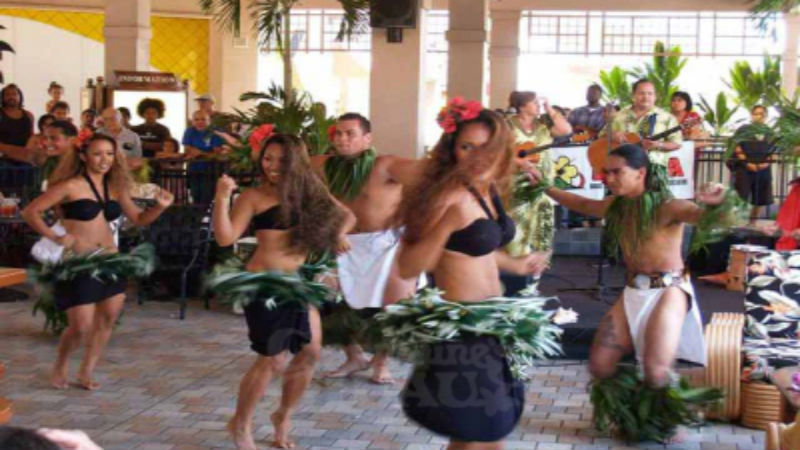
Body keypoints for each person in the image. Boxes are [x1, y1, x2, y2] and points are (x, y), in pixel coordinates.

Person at [529, 144, 733, 440]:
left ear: (641, 173)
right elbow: (582, 204)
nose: (609, 178)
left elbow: (707, 217)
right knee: (601, 363)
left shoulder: (667, 205)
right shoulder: (617, 205)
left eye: (617, 172)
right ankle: (631, 412)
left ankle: (667, 420)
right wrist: (544, 186)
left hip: (668, 290)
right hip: (633, 291)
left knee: (656, 370)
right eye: (606, 172)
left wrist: (720, 201)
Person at [388, 101, 554, 450]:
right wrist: (445, 225)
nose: (476, 156)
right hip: (462, 332)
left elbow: (473, 249)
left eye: (485, 148)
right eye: (466, 147)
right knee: (483, 432)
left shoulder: (485, 188)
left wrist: (516, 264)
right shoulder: (445, 196)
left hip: (490, 325)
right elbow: (408, 266)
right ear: (452, 150)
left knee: (479, 435)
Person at [209, 133, 355, 450]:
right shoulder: (254, 196)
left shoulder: (312, 193)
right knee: (273, 359)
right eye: (268, 158)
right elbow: (225, 238)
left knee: (311, 351)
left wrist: (339, 235)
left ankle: (283, 416)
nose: (272, 165)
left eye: (281, 159)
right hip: (263, 283)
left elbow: (347, 215)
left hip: (296, 284)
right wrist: (222, 197)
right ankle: (240, 424)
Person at [21, 133, 173, 391]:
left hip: (111, 259)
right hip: (80, 261)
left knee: (108, 318)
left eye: (110, 154)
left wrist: (159, 207)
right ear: (83, 156)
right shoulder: (70, 186)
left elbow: (138, 219)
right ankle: (61, 365)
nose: (104, 160)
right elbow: (31, 212)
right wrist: (59, 237)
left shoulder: (116, 187)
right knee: (81, 325)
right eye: (97, 153)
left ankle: (86, 371)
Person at [309, 112, 420, 385]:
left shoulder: (386, 165)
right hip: (344, 243)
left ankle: (381, 363)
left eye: (350, 133)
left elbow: (428, 173)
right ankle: (354, 356)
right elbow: (291, 165)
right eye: (338, 133)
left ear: (367, 139)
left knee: (391, 308)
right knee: (325, 298)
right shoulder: (324, 165)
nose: (342, 138)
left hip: (386, 244)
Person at [504, 91, 571, 294]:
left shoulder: (543, 124)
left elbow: (566, 130)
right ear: (522, 106)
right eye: (534, 102)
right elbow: (498, 152)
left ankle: (534, 281)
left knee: (541, 233)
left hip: (542, 187)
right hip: (517, 188)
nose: (538, 105)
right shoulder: (507, 125)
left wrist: (550, 108)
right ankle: (515, 280)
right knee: (518, 235)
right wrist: (519, 163)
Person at [607, 79, 683, 179]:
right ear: (633, 95)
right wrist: (612, 135)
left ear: (655, 96)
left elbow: (676, 143)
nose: (646, 97)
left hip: (654, 169)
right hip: (621, 169)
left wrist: (658, 144)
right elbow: (603, 135)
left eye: (650, 93)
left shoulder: (667, 118)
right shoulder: (619, 116)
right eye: (641, 93)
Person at [731, 105, 775, 224]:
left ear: (766, 117)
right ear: (751, 115)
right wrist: (747, 163)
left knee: (761, 197)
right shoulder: (744, 130)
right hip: (745, 168)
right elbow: (737, 147)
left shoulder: (770, 132)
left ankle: (753, 222)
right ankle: (736, 222)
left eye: (761, 114)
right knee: (741, 196)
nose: (758, 117)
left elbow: (774, 151)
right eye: (755, 114)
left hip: (763, 169)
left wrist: (765, 164)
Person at [183, 110, 225, 204]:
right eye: (196, 119)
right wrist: (196, 152)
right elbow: (188, 149)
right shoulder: (189, 131)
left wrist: (200, 153)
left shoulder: (215, 131)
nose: (200, 122)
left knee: (207, 198)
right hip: (194, 169)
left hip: (211, 170)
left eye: (203, 119)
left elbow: (217, 153)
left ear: (209, 121)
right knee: (195, 196)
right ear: (192, 121)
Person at [0, 84, 36, 166]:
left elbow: (32, 136)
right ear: (2, 97)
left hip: (25, 159)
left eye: (14, 94)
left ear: (20, 96)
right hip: (4, 159)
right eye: (7, 94)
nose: (11, 97)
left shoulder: (29, 115)